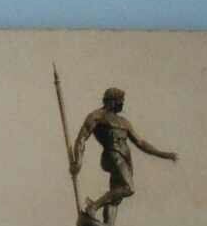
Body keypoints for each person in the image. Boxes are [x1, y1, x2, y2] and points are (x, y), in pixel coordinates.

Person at [71, 87, 178, 218]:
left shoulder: (124, 122)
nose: (121, 103)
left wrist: (164, 154)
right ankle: (93, 206)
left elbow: (141, 143)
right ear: (110, 101)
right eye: (118, 100)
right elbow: (81, 138)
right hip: (112, 155)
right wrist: (78, 161)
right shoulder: (96, 116)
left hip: (126, 158)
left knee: (116, 196)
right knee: (128, 188)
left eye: (121, 101)